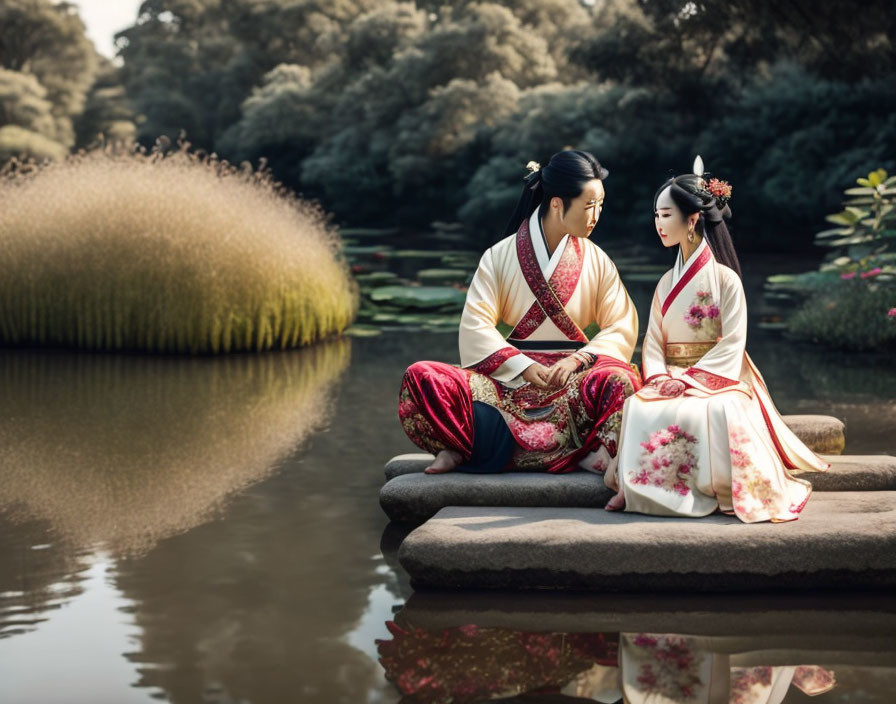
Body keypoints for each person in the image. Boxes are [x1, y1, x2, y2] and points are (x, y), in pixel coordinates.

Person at [604, 158, 828, 521]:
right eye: (656, 215)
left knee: (708, 410)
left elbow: (733, 343)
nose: (658, 223)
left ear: (692, 220)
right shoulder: (665, 282)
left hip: (718, 379)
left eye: (665, 215)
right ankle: (635, 490)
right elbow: (654, 341)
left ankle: (720, 489)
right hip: (671, 376)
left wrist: (690, 379)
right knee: (639, 404)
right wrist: (661, 376)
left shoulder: (726, 280)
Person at [398, 150, 641, 474]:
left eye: (600, 205)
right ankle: (461, 447)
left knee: (620, 379)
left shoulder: (597, 259)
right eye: (588, 206)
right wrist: (522, 366)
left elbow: (621, 325)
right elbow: (476, 326)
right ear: (557, 203)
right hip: (508, 380)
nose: (596, 215)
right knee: (422, 377)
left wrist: (577, 360)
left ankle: (492, 448)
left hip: (573, 380)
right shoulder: (499, 256)